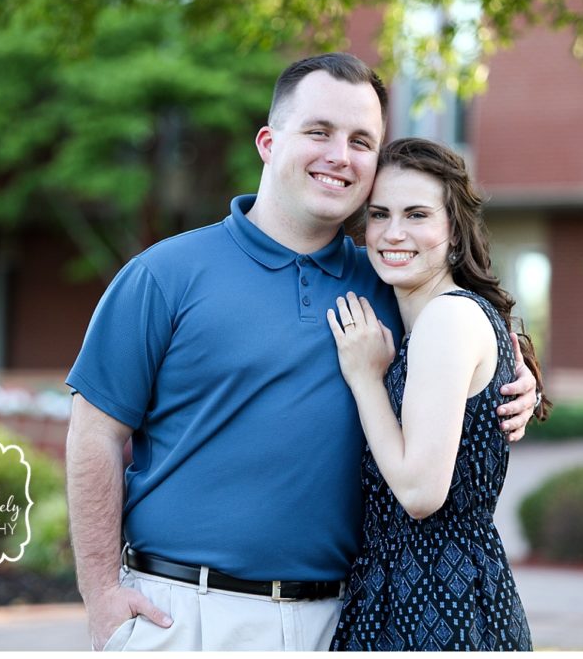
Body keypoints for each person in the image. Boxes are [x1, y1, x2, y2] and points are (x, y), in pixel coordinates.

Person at [64, 53, 540, 652]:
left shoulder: (390, 279)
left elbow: (469, 335)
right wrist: (101, 595)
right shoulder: (164, 275)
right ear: (268, 141)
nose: (340, 156)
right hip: (186, 615)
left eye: (361, 140)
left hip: (340, 621)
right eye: (319, 132)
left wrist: (522, 375)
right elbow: (94, 435)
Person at [326, 137, 549, 651]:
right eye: (379, 214)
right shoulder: (435, 319)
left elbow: (421, 494)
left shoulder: (447, 317)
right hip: (417, 592)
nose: (394, 233)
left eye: (417, 214)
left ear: (453, 232)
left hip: (435, 603)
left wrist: (365, 380)